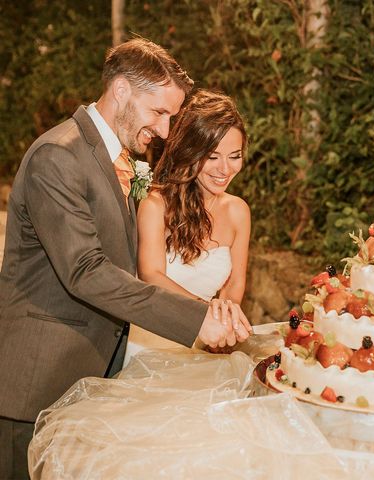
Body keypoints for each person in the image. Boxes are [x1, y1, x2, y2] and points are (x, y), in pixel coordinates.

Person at [0, 38, 252, 479]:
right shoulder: (58, 156)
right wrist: (196, 318)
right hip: (35, 381)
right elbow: (86, 271)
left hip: (90, 375)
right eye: (159, 112)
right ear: (121, 92)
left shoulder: (115, 159)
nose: (167, 128)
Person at [125, 90, 251, 356]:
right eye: (213, 156)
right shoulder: (155, 206)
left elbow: (234, 284)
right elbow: (151, 276)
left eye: (235, 156)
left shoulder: (238, 211)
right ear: (190, 152)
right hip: (150, 343)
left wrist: (224, 321)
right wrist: (204, 313)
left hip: (204, 346)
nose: (225, 169)